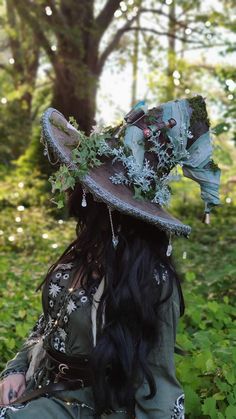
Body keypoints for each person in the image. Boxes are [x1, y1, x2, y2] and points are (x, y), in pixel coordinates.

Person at [0, 97, 220, 418]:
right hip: (40, 386)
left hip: (92, 408)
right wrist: (16, 370)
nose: (73, 189)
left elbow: (158, 385)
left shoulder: (152, 280)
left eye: (90, 184)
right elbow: (48, 324)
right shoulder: (83, 252)